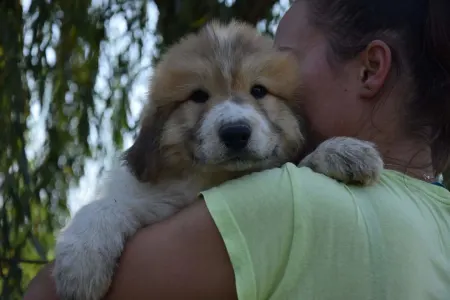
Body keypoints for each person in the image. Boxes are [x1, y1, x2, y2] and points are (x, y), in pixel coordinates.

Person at [24, 0, 450, 299]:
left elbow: (49, 295)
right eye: (197, 97)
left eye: (263, 87)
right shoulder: (440, 215)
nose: (232, 120)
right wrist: (102, 216)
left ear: (371, 69)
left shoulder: (288, 203)